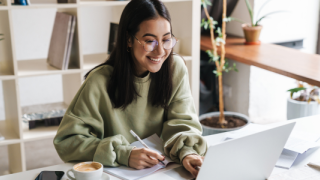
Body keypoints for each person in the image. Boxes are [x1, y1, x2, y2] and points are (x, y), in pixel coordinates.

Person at [53, 0, 207, 177]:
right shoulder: (99, 81)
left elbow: (183, 123)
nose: (160, 52)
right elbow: (67, 141)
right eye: (150, 41)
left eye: (166, 40)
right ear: (128, 39)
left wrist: (188, 152)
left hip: (164, 172)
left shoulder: (175, 69)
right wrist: (123, 154)